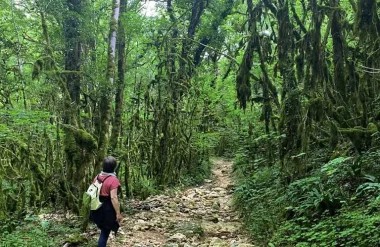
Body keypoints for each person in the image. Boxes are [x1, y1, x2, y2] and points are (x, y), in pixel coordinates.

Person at [90, 156, 122, 247]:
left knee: (103, 230)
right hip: (107, 209)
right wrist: (118, 213)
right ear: (114, 167)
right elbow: (113, 198)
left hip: (96, 207)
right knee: (105, 232)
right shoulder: (113, 180)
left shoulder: (97, 177)